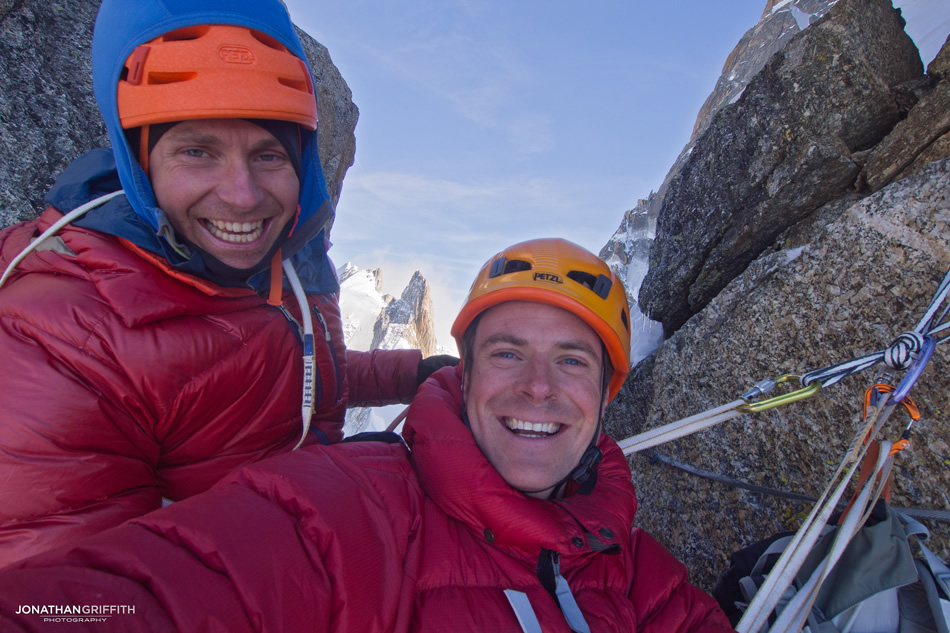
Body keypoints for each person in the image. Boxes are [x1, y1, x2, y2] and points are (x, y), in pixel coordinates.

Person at [0, 238, 734, 633]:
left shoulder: (639, 572)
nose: (536, 388)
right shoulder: (349, 512)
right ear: (465, 374)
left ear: (605, 397)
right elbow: (152, 596)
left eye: (571, 360)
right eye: (507, 351)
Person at [0, 0, 455, 568]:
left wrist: (411, 373)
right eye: (197, 150)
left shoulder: (282, 261)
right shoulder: (62, 340)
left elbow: (295, 370)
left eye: (268, 154)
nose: (241, 195)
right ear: (139, 161)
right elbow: (71, 606)